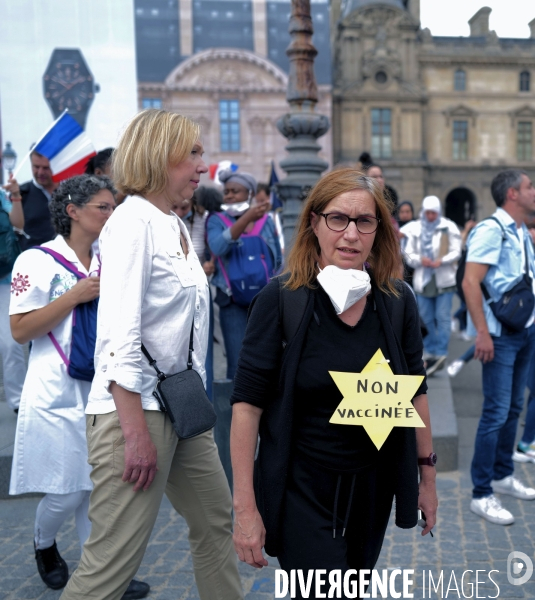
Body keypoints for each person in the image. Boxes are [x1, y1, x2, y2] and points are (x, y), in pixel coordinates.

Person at [60, 109, 243, 600]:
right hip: (135, 411)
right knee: (112, 563)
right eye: (194, 154)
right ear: (161, 157)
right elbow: (120, 333)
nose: (203, 168)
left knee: (214, 522)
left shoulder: (175, 226)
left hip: (180, 405)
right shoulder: (131, 222)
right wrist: (134, 433)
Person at [230, 168, 437, 594]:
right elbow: (247, 406)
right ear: (314, 223)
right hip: (302, 487)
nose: (351, 234)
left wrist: (427, 479)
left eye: (364, 221)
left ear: (379, 229)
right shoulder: (282, 299)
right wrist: (245, 508)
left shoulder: (397, 302)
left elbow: (415, 390)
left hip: (372, 486)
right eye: (337, 219)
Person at [8, 175, 150, 597]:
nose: (111, 215)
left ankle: (102, 573)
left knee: (100, 490)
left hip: (105, 386)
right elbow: (20, 330)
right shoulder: (35, 261)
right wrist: (75, 295)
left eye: (113, 207)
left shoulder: (114, 258)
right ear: (72, 212)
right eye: (103, 208)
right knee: (67, 492)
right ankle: (44, 543)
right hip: (54, 388)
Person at [463, 169, 535, 525]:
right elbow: (470, 281)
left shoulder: (520, 230)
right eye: (529, 187)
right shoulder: (492, 230)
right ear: (512, 194)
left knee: (513, 407)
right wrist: (482, 332)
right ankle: (481, 492)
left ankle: (503, 475)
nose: (533, 191)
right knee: (495, 411)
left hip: (524, 331)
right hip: (500, 335)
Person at [206, 169, 282, 379]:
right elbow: (217, 247)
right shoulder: (216, 220)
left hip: (264, 299)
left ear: (249, 194)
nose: (229, 195)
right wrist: (246, 217)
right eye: (226, 191)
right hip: (231, 301)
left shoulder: (266, 221)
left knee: (268, 357)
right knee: (238, 361)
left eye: (235, 191)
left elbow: (277, 258)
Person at [401, 196, 462, 375]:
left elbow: (456, 251)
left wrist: (441, 261)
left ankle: (441, 353)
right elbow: (408, 252)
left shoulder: (448, 226)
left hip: (444, 279)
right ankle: (429, 352)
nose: (430, 216)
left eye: (433, 213)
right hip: (423, 279)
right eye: (427, 212)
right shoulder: (416, 228)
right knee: (425, 318)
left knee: (442, 317)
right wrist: (421, 260)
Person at [0, 181, 25, 412]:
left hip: (5, 278)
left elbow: (18, 224)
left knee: (10, 343)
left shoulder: (0, 193)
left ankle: (18, 402)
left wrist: (15, 195)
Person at [12, 150, 58, 251]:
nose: (40, 172)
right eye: (36, 167)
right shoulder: (21, 194)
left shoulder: (69, 192)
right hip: (33, 261)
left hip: (66, 261)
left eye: (46, 168)